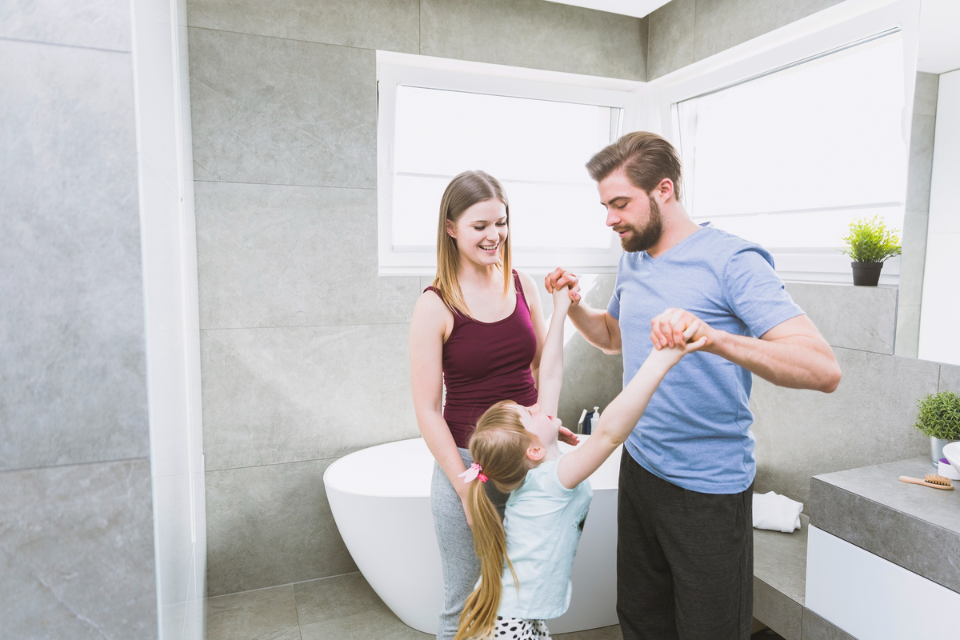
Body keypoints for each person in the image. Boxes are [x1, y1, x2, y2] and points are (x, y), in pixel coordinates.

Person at [545, 132, 842, 640]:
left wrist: (715, 339)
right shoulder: (633, 256)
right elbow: (616, 337)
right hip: (640, 468)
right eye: (605, 206)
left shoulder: (732, 260)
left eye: (620, 203)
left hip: (707, 488)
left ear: (664, 190)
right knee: (642, 622)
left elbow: (822, 369)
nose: (610, 218)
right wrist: (574, 307)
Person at [455, 284, 707, 640]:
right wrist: (659, 360)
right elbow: (608, 435)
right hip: (509, 625)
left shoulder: (538, 468)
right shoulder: (553, 477)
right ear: (534, 450)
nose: (535, 405)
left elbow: (551, 374)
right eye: (529, 413)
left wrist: (560, 309)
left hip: (510, 613)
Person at [409, 170, 580, 639]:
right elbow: (427, 409)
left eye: (500, 223)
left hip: (529, 462)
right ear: (450, 228)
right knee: (465, 606)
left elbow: (545, 366)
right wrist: (464, 487)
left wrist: (545, 429)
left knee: (525, 601)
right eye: (479, 226)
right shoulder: (435, 305)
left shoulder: (521, 283)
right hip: (470, 465)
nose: (494, 236)